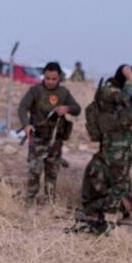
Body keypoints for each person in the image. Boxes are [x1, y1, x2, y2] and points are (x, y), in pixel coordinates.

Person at [79, 64, 132, 226]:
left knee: (123, 178)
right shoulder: (108, 90)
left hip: (124, 145)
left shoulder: (123, 92)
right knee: (115, 178)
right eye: (129, 75)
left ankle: (120, 206)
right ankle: (112, 209)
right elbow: (123, 97)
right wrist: (129, 80)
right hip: (111, 145)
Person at [18, 62, 81, 204]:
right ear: (43, 76)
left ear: (59, 78)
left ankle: (49, 203)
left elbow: (77, 109)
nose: (50, 82)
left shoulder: (63, 93)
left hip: (55, 139)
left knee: (52, 171)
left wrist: (67, 108)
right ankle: (29, 201)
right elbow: (22, 107)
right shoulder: (35, 91)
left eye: (54, 79)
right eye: (47, 78)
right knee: (35, 170)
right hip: (38, 137)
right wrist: (26, 125)